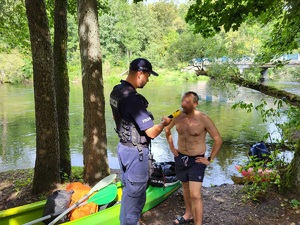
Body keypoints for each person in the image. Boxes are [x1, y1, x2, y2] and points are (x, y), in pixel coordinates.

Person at [110, 58, 172, 225]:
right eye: (148, 75)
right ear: (140, 73)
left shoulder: (117, 91)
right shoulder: (133, 99)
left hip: (123, 148)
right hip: (135, 153)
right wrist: (164, 123)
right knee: (135, 198)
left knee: (129, 192)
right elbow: (151, 132)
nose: (148, 79)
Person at [164, 91, 222, 225]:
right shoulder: (177, 115)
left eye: (187, 102)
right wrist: (172, 147)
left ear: (195, 104)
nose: (183, 104)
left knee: (195, 195)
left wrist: (210, 159)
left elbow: (218, 140)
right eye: (183, 100)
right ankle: (188, 214)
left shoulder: (203, 118)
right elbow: (166, 129)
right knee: (185, 187)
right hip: (181, 158)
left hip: (197, 160)